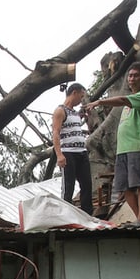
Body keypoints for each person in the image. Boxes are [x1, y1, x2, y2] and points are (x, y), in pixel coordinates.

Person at [83, 62, 140, 227]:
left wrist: (99, 102)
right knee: (124, 186)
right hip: (123, 150)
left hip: (139, 146)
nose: (131, 79)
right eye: (130, 75)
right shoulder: (129, 103)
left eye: (136, 75)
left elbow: (122, 99)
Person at [52, 83, 93, 214]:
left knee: (86, 184)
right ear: (74, 93)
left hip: (82, 152)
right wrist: (59, 155)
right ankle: (65, 215)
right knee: (68, 186)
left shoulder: (75, 113)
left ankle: (88, 214)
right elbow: (56, 133)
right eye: (81, 96)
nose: (81, 100)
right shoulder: (60, 111)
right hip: (68, 152)